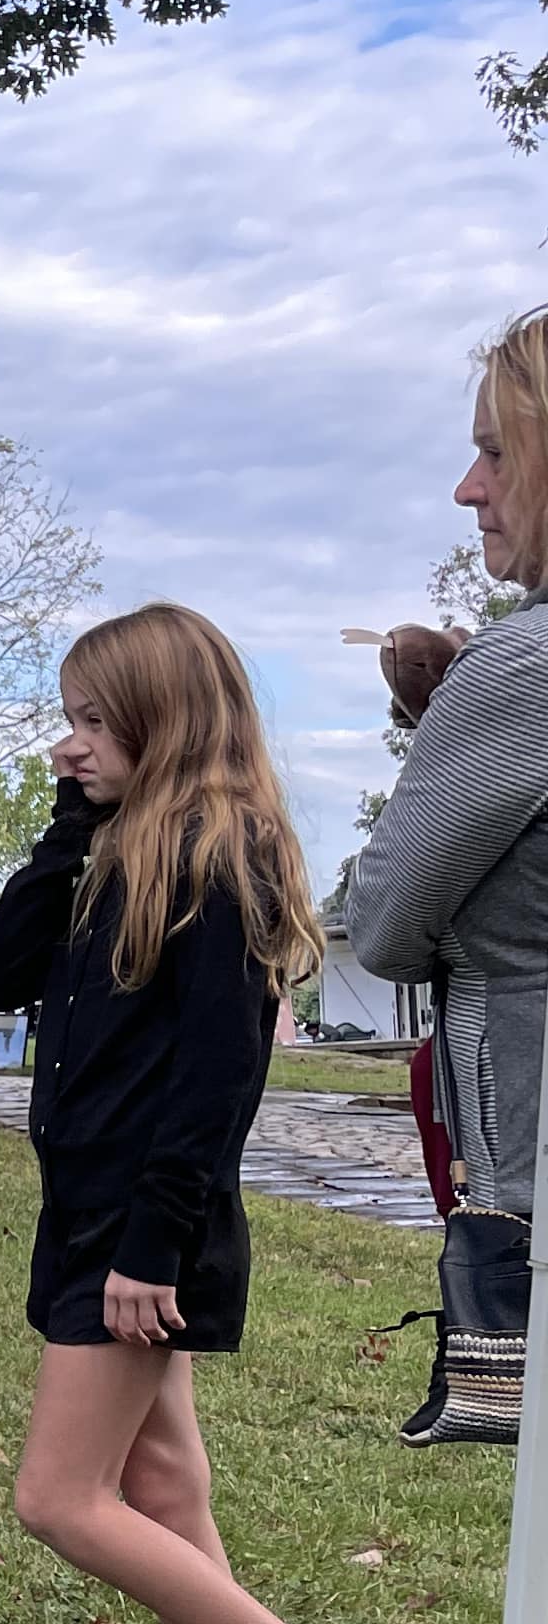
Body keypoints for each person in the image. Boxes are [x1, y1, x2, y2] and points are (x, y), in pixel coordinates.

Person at [0, 605, 430, 1624]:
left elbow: (220, 1082)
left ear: (162, 720)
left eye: (92, 721)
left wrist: (149, 1249)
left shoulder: (223, 854)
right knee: (163, 1482)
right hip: (88, 1215)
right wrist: (70, 824)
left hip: (141, 1231)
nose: (70, 742)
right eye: (66, 720)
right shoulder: (111, 845)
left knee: (61, 1499)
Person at [347, 301, 548, 1442]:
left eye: (496, 451)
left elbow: (381, 926)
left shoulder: (522, 667)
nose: (468, 490)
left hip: (529, 1163)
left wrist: (448, 733)